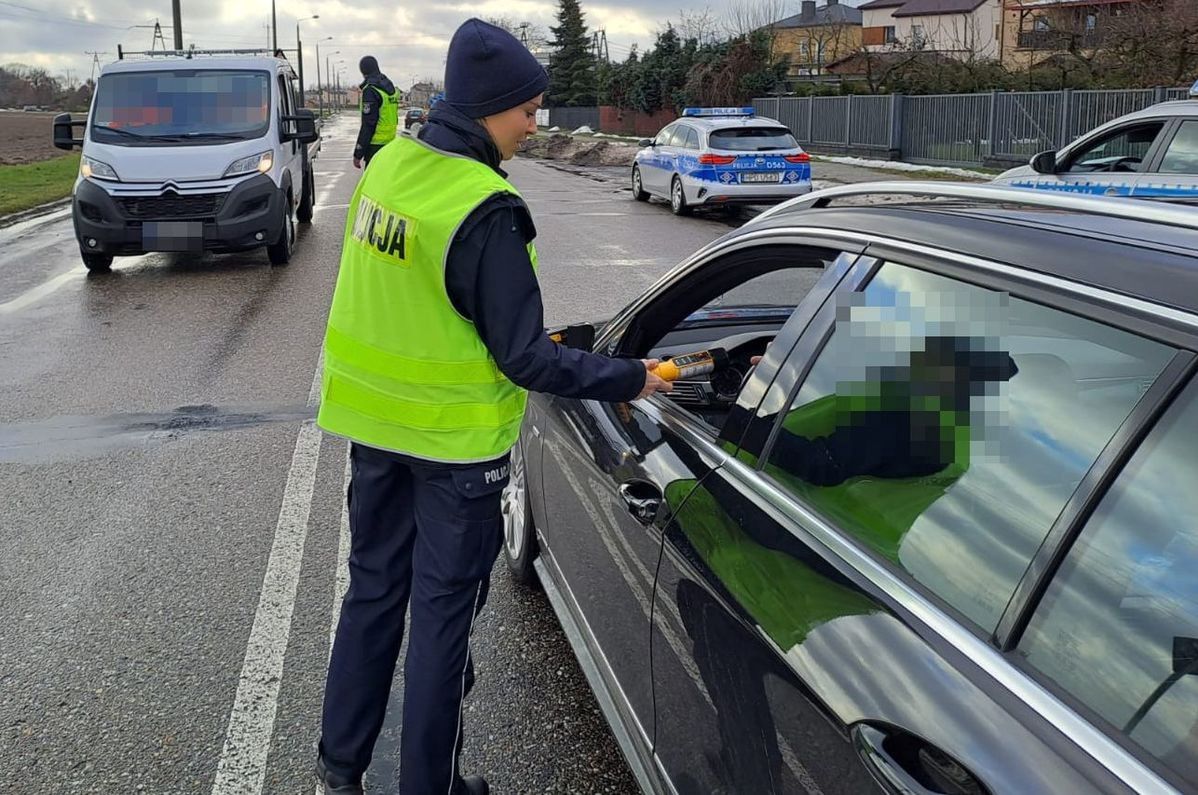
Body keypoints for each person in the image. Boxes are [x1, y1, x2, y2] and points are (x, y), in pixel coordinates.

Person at [314, 18, 672, 795]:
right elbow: (527, 357)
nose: (534, 124)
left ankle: (340, 766)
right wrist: (629, 375)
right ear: (488, 108)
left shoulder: (391, 168)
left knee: (373, 590)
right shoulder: (485, 208)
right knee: (441, 625)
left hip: (375, 431)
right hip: (455, 453)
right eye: (527, 109)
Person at [354, 55, 400, 169]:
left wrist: (358, 152)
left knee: (372, 184)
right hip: (390, 143)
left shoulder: (371, 90)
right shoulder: (390, 88)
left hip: (375, 146)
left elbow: (369, 124)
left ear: (363, 72)